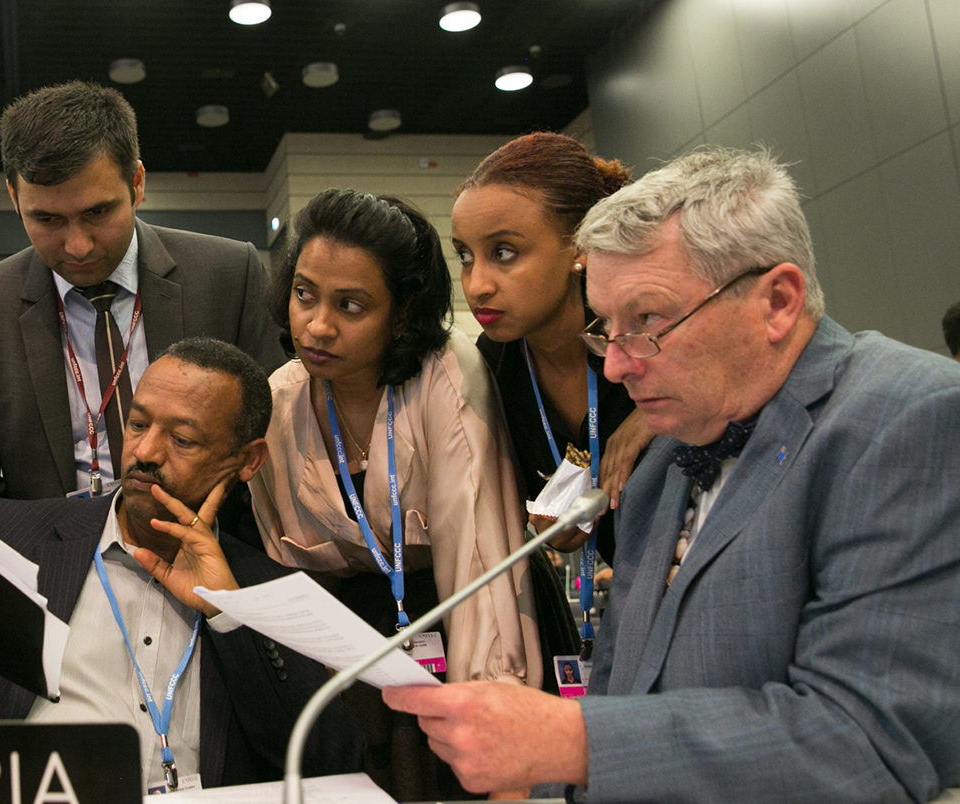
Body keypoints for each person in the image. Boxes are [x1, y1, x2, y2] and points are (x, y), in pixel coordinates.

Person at [383, 147, 960, 802]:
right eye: (608, 327)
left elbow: (871, 741)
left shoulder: (908, 418)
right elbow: (622, 693)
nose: (617, 367)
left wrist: (570, 740)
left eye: (649, 321)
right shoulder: (663, 459)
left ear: (777, 300)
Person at [0, 338, 363, 792]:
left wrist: (227, 613)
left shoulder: (269, 592)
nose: (146, 452)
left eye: (182, 439)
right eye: (137, 424)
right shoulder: (6, 536)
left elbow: (330, 762)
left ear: (247, 460)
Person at [248, 188, 538, 800]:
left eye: (351, 305)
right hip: (343, 661)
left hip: (461, 631)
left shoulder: (447, 373)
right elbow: (287, 573)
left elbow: (479, 562)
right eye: (305, 294)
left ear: (403, 313)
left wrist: (496, 728)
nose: (317, 325)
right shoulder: (281, 397)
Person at [0, 80, 284, 511]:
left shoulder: (228, 274)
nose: (77, 246)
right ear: (14, 199)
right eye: (47, 219)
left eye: (97, 212)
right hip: (47, 565)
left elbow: (272, 447)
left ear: (137, 181)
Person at [451, 133, 649, 689]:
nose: (476, 283)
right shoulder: (487, 370)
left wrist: (658, 415)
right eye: (465, 255)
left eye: (504, 253)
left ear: (580, 246)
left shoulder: (653, 342)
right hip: (611, 636)